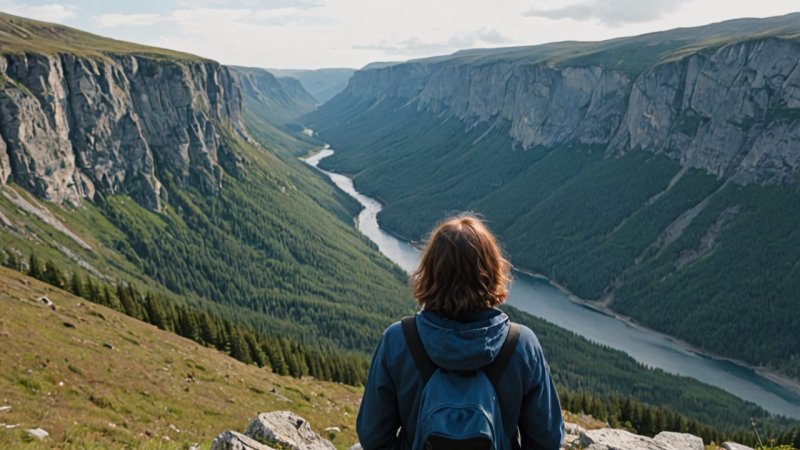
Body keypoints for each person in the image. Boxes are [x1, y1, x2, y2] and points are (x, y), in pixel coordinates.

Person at [357, 214, 564, 450]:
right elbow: (548, 440)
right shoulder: (521, 344)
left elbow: (372, 436)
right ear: (491, 271)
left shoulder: (398, 339)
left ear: (430, 271)